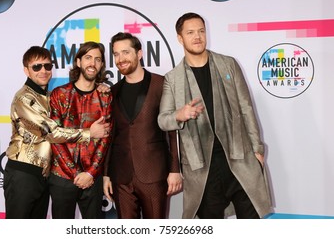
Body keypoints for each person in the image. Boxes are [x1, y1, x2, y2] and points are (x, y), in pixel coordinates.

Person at [157, 12, 272, 219]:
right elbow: (163, 120)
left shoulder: (228, 64)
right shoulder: (172, 79)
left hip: (239, 158)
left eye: (201, 31)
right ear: (180, 38)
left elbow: (246, 108)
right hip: (202, 169)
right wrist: (179, 115)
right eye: (190, 32)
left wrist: (257, 150)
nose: (197, 37)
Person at [4, 45, 109, 219]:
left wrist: (98, 87)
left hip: (43, 175)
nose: (43, 71)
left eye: (47, 66)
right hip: (23, 174)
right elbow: (50, 133)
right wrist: (89, 133)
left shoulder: (52, 95)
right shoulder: (24, 98)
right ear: (26, 70)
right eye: (36, 67)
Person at [103, 32, 182, 219]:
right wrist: (106, 174)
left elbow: (173, 132)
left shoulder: (161, 84)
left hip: (154, 174)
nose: (120, 59)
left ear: (139, 54)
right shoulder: (112, 92)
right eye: (116, 54)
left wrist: (175, 170)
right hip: (121, 176)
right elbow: (110, 136)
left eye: (125, 52)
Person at [48, 41, 113, 219]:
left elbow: (105, 139)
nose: (92, 63)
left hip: (93, 178)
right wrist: (76, 173)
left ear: (101, 66)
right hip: (62, 176)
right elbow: (54, 137)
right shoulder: (59, 94)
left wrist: (91, 173)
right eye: (88, 58)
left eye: (97, 60)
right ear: (78, 62)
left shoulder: (105, 96)